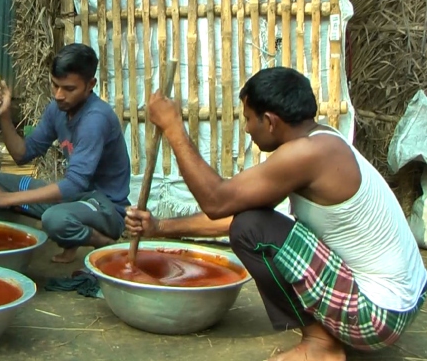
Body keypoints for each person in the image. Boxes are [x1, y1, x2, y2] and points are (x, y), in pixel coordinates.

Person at [125, 67, 427, 361]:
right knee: (251, 224)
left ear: (269, 121)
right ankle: (324, 337)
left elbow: (217, 202)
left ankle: (321, 344)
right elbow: (239, 214)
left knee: (250, 229)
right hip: (401, 303)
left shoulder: (306, 155)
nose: (245, 129)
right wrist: (160, 226)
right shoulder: (321, 141)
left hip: (377, 316)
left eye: (247, 119)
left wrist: (174, 129)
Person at [0, 43, 131, 263]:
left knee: (55, 219)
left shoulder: (95, 119)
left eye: (69, 89)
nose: (59, 95)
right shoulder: (58, 109)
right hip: (72, 200)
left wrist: (8, 199)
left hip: (104, 206)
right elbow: (22, 154)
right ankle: (65, 238)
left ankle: (102, 241)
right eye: (55, 85)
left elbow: (73, 184)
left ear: (90, 85)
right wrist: (5, 115)